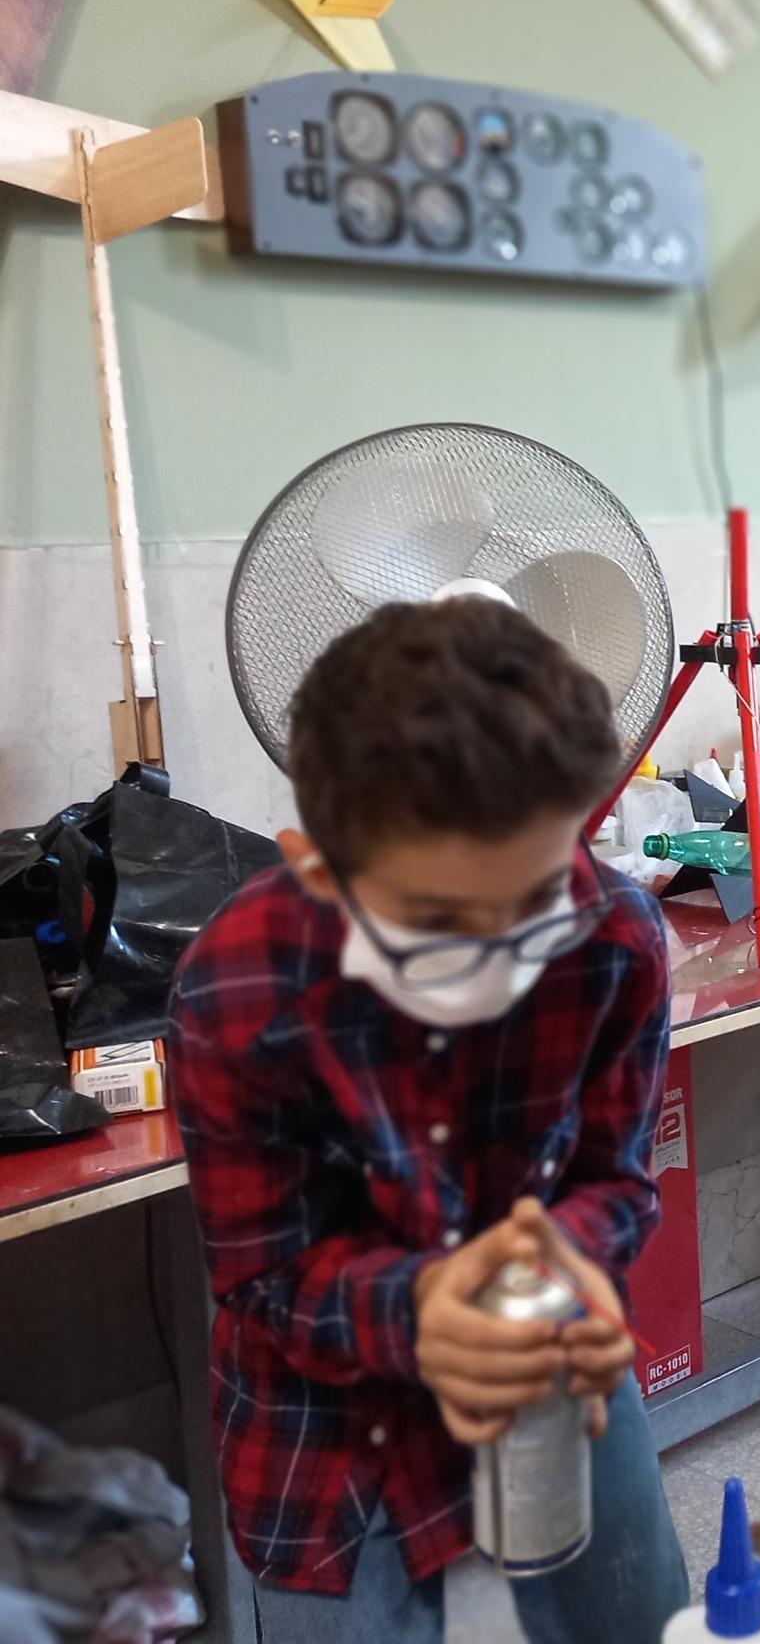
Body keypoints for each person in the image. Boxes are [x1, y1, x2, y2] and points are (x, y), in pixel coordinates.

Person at [169, 597, 688, 1643]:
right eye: (442, 924)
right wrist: (422, 1309)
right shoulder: (239, 989)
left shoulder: (612, 939)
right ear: (321, 871)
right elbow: (264, 1275)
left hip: (552, 1363)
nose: (499, 965)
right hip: (328, 1440)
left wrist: (580, 1263)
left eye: (534, 903)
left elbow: (615, 1181)